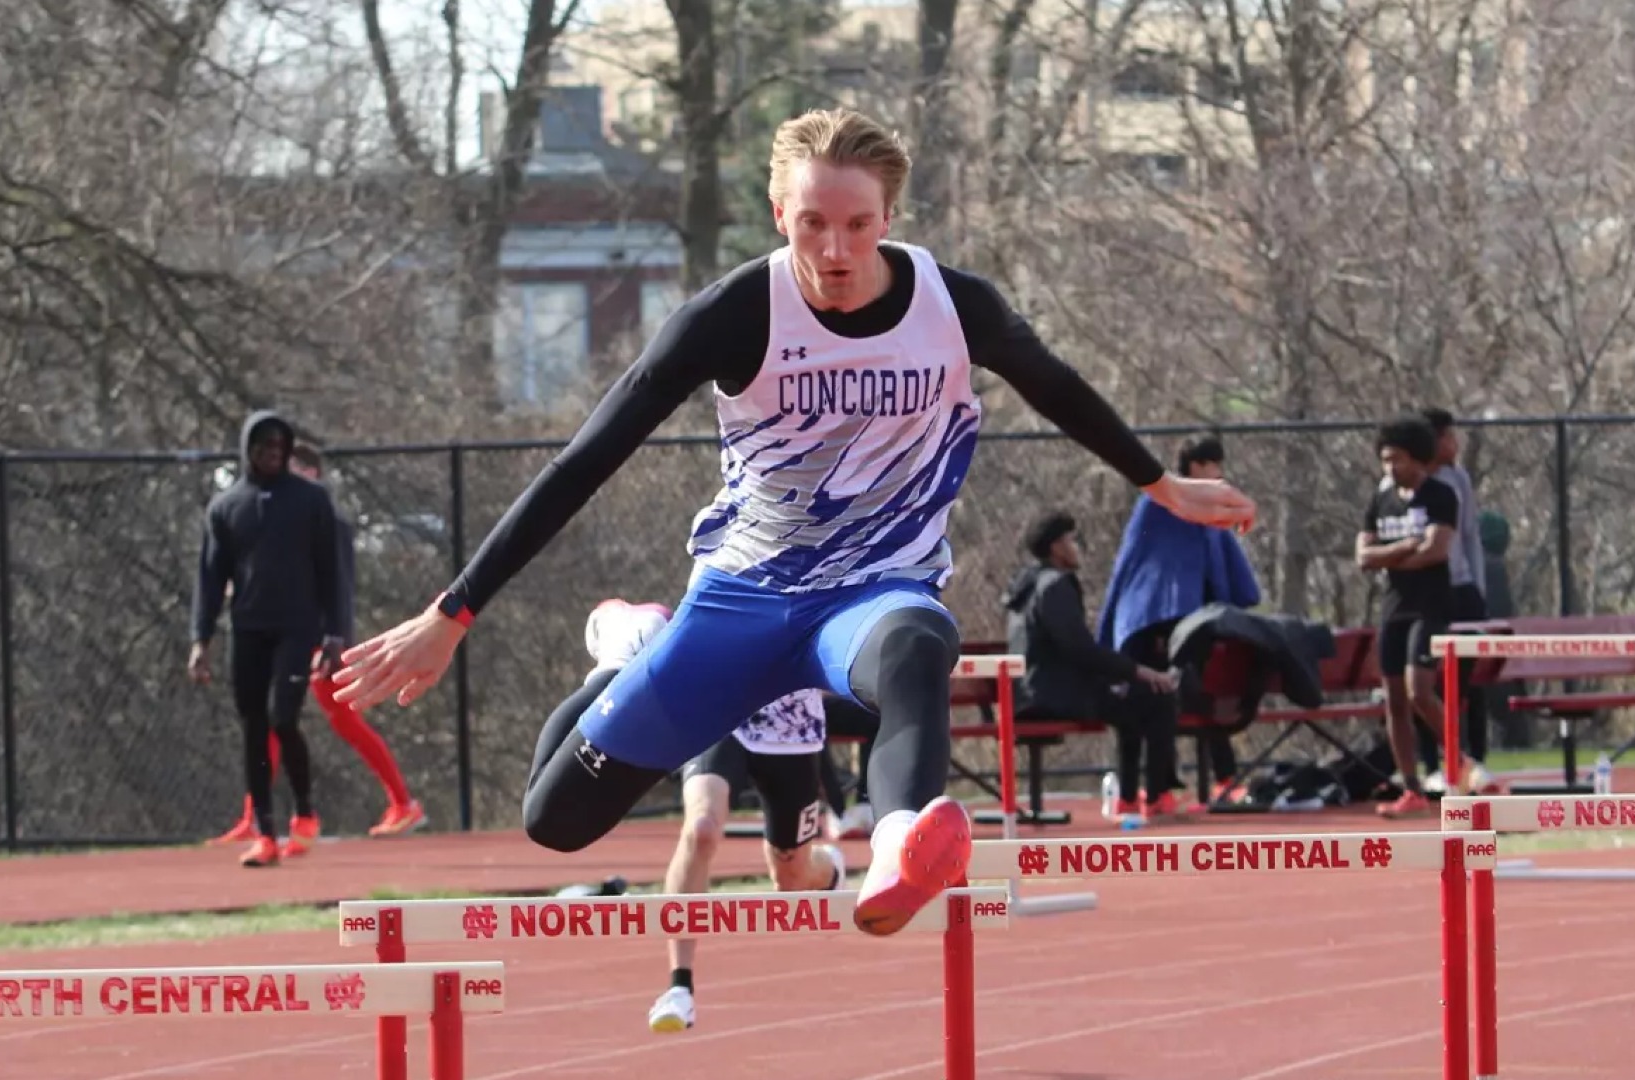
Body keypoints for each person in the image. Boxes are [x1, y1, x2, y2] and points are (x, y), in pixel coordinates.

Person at [333, 106, 1256, 935]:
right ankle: (631, 653)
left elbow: (1056, 385)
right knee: (557, 822)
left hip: (870, 595)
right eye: (814, 223)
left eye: (857, 225)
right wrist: (453, 610)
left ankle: (900, 843)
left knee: (917, 643)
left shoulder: (951, 306)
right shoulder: (734, 315)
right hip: (740, 603)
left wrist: (1158, 485)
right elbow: (585, 462)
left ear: (888, 220)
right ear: (781, 217)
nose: (837, 251)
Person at [570, 599, 845, 1034]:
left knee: (792, 877)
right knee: (701, 828)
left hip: (790, 719)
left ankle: (826, 868)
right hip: (720, 710)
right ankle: (679, 985)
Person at [212, 443, 427, 844]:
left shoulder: (330, 521)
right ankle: (255, 817)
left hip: (322, 642)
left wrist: (334, 641)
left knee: (343, 720)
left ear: (310, 473)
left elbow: (339, 586)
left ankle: (404, 803)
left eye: (292, 469)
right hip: (289, 636)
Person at [188, 411, 343, 867]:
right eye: (264, 447)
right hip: (249, 629)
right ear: (248, 451)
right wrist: (201, 639)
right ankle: (265, 833)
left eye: (280, 447)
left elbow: (330, 572)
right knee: (254, 727)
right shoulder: (225, 506)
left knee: (282, 717)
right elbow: (211, 579)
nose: (273, 454)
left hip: (298, 628)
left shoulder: (312, 501)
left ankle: (305, 812)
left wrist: (334, 635)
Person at [1097, 434, 1261, 808]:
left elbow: (1216, 560)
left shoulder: (1205, 507)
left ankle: (1212, 781)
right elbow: (1147, 569)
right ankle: (1144, 793)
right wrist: (1160, 618)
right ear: (1196, 467)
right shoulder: (1161, 504)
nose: (1219, 472)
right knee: (1153, 705)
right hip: (1154, 627)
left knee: (1200, 696)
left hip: (1190, 623)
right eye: (1212, 464)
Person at [1004, 511, 1179, 823]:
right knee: (1158, 699)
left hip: (1030, 690)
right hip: (1051, 695)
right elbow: (1079, 649)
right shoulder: (1055, 587)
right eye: (1074, 540)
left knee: (1131, 701)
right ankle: (1156, 799)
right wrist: (1138, 671)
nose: (1079, 547)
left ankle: (1128, 798)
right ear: (1057, 547)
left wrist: (1121, 676)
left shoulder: (1027, 584)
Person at [1355, 417, 1477, 818]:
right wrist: (1406, 547)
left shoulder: (1441, 495)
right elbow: (1363, 557)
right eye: (1385, 460)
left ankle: (1460, 762)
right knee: (1393, 699)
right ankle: (1411, 789)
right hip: (1394, 605)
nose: (1391, 468)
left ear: (1419, 460)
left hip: (1431, 605)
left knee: (1419, 691)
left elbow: (1437, 552)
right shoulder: (1381, 499)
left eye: (1399, 459)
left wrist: (1390, 556)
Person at [1420, 408, 1500, 792]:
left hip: (1463, 591)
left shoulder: (1458, 478)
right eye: (1449, 437)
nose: (1456, 444)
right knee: (1422, 682)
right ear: (1432, 442)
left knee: (1469, 682)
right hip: (1424, 595)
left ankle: (1474, 760)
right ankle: (1432, 764)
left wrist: (1477, 589)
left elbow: (1469, 536)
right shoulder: (1409, 482)